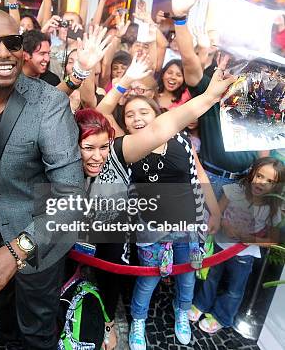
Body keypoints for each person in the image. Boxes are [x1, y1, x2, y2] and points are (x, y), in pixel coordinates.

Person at [0, 9, 84, 349]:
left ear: (22, 50)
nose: (2, 52)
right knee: (4, 318)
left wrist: (16, 251)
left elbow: (71, 197)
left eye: (12, 42)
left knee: (36, 332)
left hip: (39, 244)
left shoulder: (50, 103)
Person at [96, 57, 231, 350]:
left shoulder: (180, 140)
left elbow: (201, 175)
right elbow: (103, 111)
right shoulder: (126, 147)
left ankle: (182, 314)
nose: (137, 118)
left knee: (187, 278)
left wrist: (215, 211)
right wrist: (124, 81)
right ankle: (139, 323)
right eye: (130, 115)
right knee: (147, 281)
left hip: (188, 227)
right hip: (151, 231)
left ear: (159, 115)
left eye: (144, 111)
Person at [170, 0, 259, 198]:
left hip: (247, 182)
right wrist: (180, 18)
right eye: (228, 57)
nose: (235, 65)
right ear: (219, 60)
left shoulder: (257, 95)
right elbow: (189, 60)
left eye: (241, 60)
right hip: (212, 180)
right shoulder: (209, 91)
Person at [190, 157, 283, 334]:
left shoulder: (273, 208)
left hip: (244, 256)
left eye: (270, 181)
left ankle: (222, 316)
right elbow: (217, 212)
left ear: (277, 186)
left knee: (235, 288)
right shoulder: (235, 190)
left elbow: (273, 239)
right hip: (220, 246)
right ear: (252, 173)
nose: (262, 182)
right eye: (260, 176)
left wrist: (247, 238)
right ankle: (201, 303)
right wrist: (225, 225)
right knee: (211, 277)